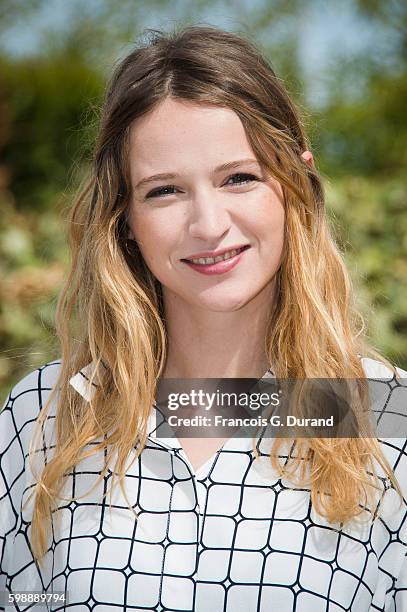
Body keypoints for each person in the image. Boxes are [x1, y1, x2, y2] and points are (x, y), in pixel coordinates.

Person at [0, 24, 406, 612]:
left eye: (238, 178)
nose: (208, 223)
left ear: (296, 184)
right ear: (125, 221)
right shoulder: (44, 417)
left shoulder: (384, 416)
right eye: (165, 191)